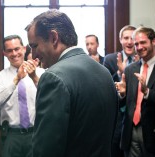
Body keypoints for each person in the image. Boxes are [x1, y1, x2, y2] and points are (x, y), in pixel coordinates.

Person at [26, 9, 118, 157]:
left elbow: (46, 150)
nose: (34, 54)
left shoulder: (53, 78)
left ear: (54, 37)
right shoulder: (104, 72)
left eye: (34, 46)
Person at [0, 35, 44, 157]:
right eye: (9, 50)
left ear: (24, 49)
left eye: (17, 49)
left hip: (36, 133)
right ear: (4, 53)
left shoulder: (40, 72)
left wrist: (34, 77)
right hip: (11, 135)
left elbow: (48, 96)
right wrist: (16, 79)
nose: (14, 53)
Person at [115, 26, 155, 157]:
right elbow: (124, 104)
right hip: (130, 133)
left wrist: (146, 91)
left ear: (153, 41)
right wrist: (123, 94)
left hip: (154, 134)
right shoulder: (130, 69)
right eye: (136, 44)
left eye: (143, 42)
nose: (139, 47)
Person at [103, 25, 137, 157]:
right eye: (126, 38)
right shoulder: (110, 59)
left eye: (132, 38)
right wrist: (119, 73)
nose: (129, 42)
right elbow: (106, 86)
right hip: (117, 117)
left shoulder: (141, 60)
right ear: (120, 40)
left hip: (135, 117)